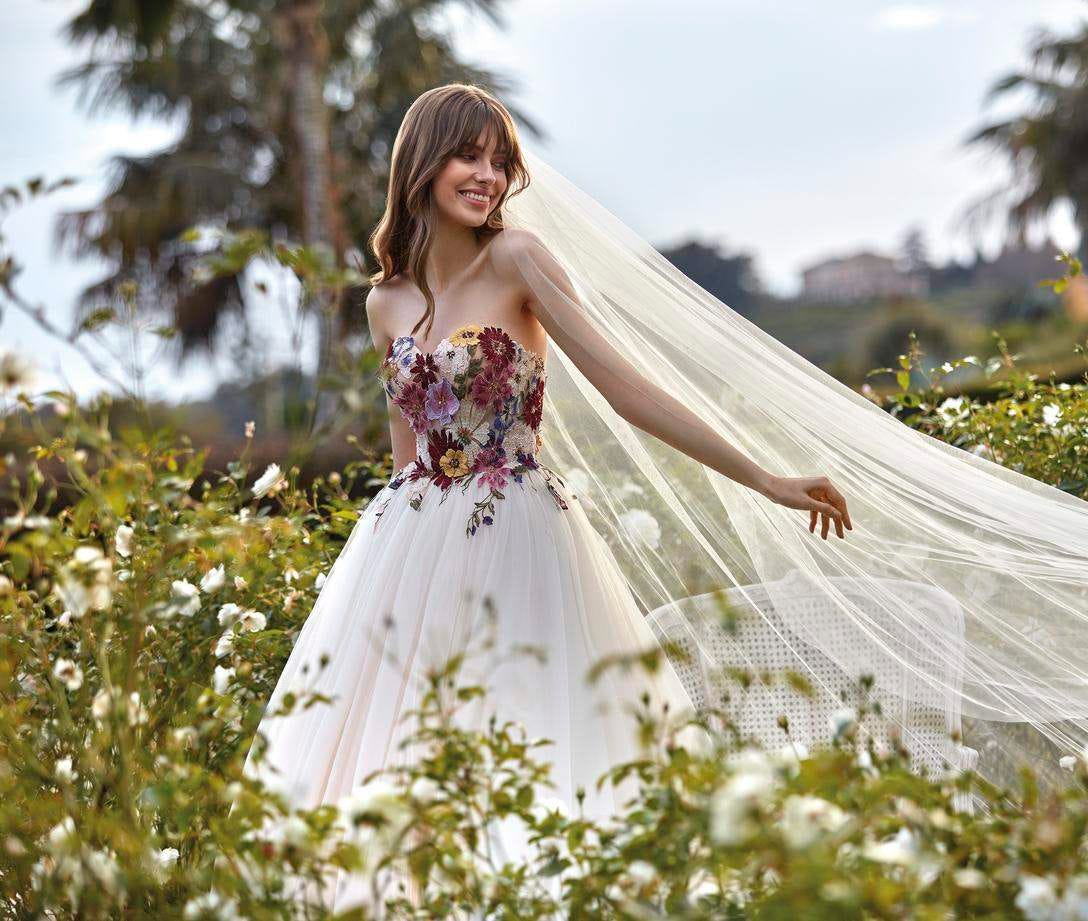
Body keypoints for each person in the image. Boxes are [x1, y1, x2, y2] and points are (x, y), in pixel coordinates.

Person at [241, 83, 852, 913]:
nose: (486, 176)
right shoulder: (385, 303)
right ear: (422, 162)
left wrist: (765, 478)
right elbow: (405, 454)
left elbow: (626, 387)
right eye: (468, 155)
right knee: (401, 753)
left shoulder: (519, 259)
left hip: (515, 530)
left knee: (522, 730)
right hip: (406, 544)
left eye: (499, 162)